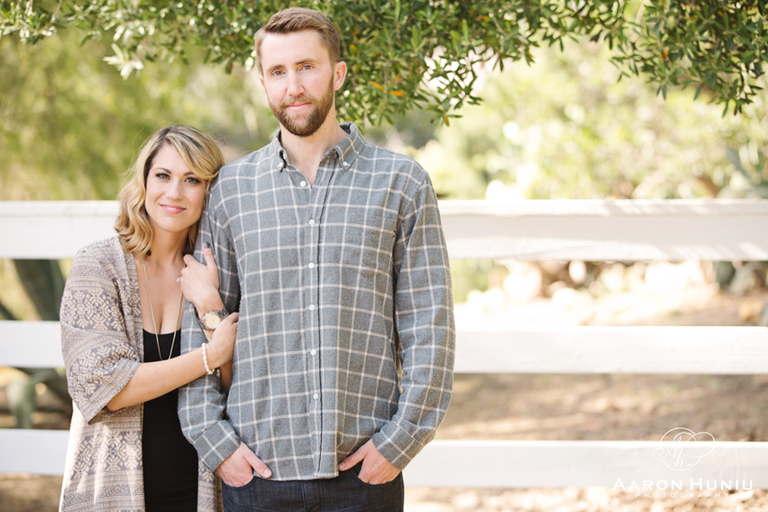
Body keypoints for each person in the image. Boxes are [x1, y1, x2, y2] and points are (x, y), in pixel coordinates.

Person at [178, 7, 455, 512]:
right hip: (256, 470)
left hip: (364, 471)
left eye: (307, 66)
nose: (294, 86)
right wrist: (215, 444)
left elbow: (428, 324)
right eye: (278, 72)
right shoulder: (232, 191)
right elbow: (200, 319)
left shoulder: (401, 183)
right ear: (263, 82)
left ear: (338, 73)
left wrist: (399, 443)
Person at [59, 125, 237, 512]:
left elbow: (239, 387)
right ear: (144, 180)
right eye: (163, 176)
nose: (174, 193)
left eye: (192, 179)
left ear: (209, 190)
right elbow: (104, 388)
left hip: (203, 489)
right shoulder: (99, 266)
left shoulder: (218, 273)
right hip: (113, 489)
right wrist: (210, 354)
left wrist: (209, 304)